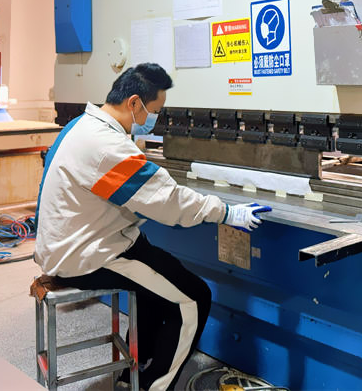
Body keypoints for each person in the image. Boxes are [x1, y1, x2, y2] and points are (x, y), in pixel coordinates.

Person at [34, 63, 270, 390]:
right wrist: (227, 213)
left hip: (77, 241)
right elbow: (168, 201)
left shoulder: (82, 125)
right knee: (193, 297)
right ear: (134, 102)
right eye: (154, 111)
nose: (154, 118)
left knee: (158, 280)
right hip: (87, 255)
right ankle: (154, 386)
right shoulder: (106, 146)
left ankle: (131, 375)